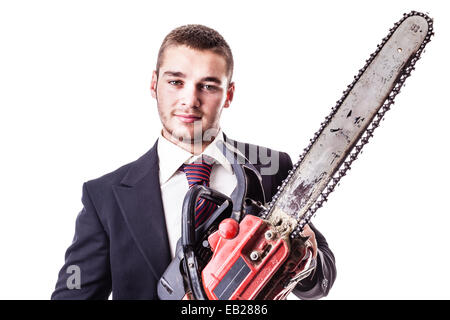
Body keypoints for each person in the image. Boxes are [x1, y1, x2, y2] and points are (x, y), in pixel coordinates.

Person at [51, 24, 336, 300]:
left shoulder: (271, 169)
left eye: (209, 86)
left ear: (229, 95)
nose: (190, 100)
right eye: (176, 82)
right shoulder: (105, 196)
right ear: (154, 84)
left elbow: (320, 283)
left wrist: (302, 257)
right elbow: (73, 294)